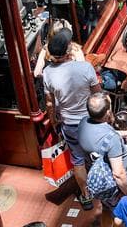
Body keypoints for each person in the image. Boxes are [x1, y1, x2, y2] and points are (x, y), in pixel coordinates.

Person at [42, 29, 102, 209]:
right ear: (68, 50)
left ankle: (86, 196)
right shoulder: (85, 67)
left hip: (69, 124)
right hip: (91, 120)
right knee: (100, 153)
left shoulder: (47, 72)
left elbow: (50, 103)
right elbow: (97, 94)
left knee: (78, 160)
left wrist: (53, 120)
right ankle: (104, 187)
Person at [80, 93, 127, 210]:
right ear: (108, 112)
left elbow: (100, 135)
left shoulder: (83, 123)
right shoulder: (112, 139)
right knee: (121, 213)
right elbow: (118, 174)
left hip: (99, 180)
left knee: (106, 209)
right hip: (114, 186)